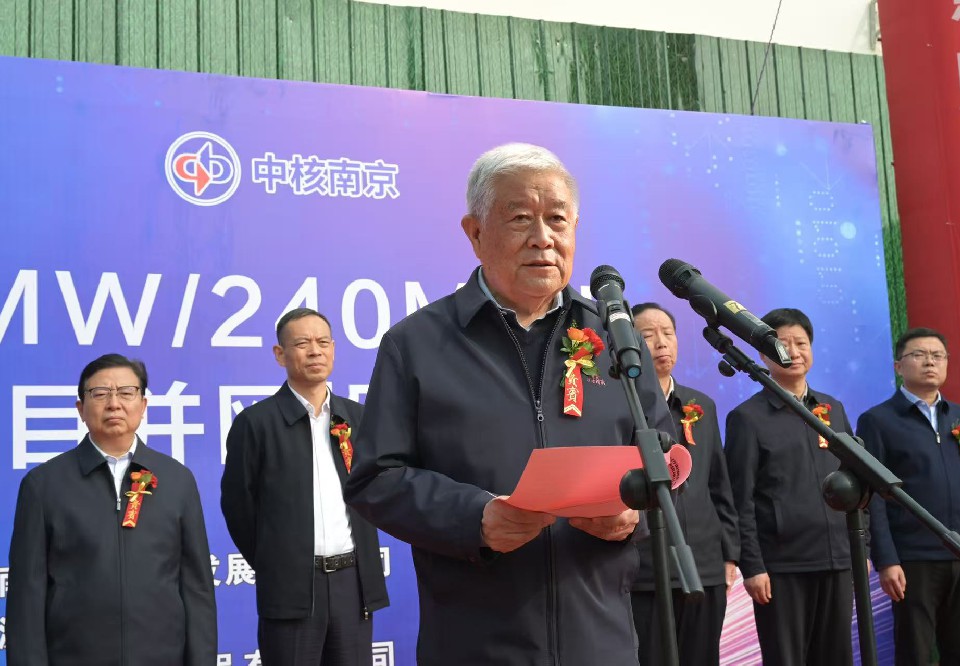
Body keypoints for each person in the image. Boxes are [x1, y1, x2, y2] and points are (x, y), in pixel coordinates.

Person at [344, 143, 671, 664]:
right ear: (475, 233)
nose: (543, 238)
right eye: (520, 218)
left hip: (600, 639)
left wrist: (634, 513)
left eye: (557, 219)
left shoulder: (615, 337)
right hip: (476, 643)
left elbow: (663, 457)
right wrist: (473, 518)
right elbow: (375, 478)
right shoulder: (417, 344)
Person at [6, 353, 217, 665]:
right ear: (81, 408)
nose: (114, 404)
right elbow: (26, 595)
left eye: (126, 392)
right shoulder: (43, 485)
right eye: (100, 393)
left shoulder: (177, 480)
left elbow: (197, 588)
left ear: (143, 405)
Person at [221, 308, 389, 666]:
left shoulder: (357, 418)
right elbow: (238, 508)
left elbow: (374, 491)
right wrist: (277, 562)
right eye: (302, 344)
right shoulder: (256, 424)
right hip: (291, 588)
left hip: (353, 584)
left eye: (323, 342)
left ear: (333, 349)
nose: (315, 351)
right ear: (280, 354)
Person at [857, 327, 960, 665]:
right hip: (913, 560)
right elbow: (873, 498)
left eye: (937, 356)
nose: (930, 362)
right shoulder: (878, 421)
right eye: (918, 355)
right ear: (898, 366)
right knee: (914, 654)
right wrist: (887, 559)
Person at [724, 308, 855, 666]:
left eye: (801, 343)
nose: (794, 352)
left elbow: (856, 481)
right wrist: (753, 566)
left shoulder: (832, 409)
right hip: (781, 567)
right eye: (783, 344)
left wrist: (861, 548)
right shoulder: (747, 418)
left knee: (837, 657)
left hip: (837, 559)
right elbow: (740, 499)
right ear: (763, 354)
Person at [630, 302, 739, 666]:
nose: (661, 342)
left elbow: (719, 485)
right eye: (647, 335)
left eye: (668, 333)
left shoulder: (700, 404)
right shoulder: (619, 405)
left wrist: (729, 554)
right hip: (644, 572)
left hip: (704, 566)